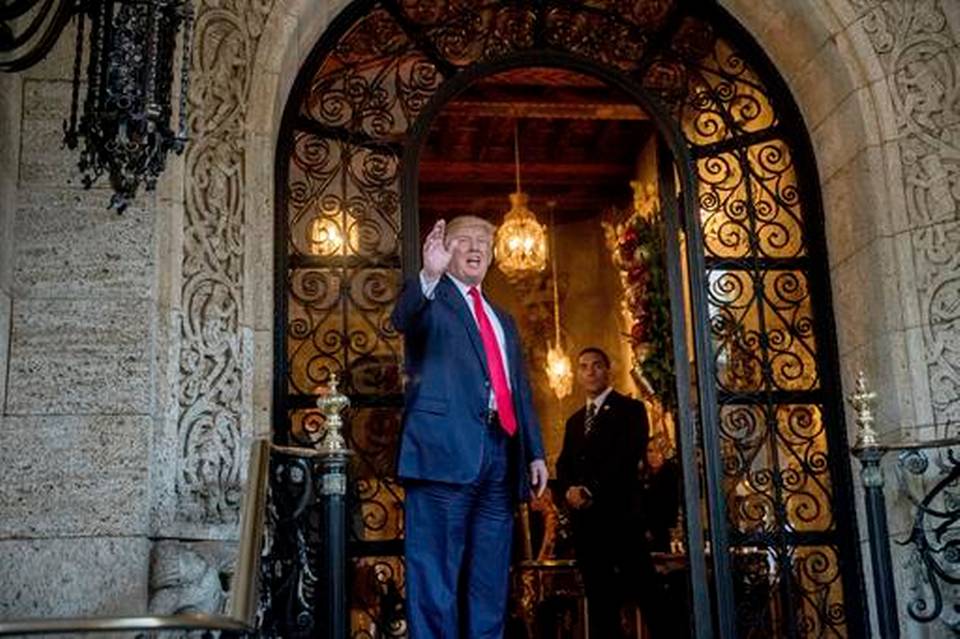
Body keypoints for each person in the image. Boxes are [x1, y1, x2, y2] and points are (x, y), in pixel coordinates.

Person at [390, 216, 548, 638]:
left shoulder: (502, 319)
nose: (476, 248)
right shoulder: (430, 299)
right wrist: (428, 273)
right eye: (464, 240)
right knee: (435, 578)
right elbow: (401, 318)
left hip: (500, 455)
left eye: (484, 241)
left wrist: (535, 451)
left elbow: (519, 389)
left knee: (489, 581)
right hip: (442, 454)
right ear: (447, 248)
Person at [556, 347, 667, 638]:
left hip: (622, 522)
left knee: (649, 598)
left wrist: (590, 489)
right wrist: (569, 490)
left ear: (608, 370)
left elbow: (626, 457)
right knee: (601, 606)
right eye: (583, 367)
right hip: (588, 529)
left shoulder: (631, 410)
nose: (590, 371)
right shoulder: (575, 421)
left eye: (596, 366)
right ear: (578, 374)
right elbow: (564, 463)